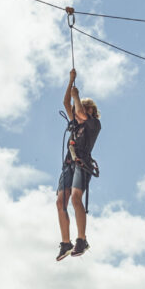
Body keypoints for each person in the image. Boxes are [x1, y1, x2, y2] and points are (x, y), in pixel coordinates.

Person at [56, 68, 101, 260]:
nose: (83, 109)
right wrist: (70, 81)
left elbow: (80, 112)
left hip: (82, 162)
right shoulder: (75, 123)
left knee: (75, 198)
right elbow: (67, 103)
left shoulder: (93, 125)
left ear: (92, 112)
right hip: (69, 164)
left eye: (87, 107)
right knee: (60, 202)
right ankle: (66, 242)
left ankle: (81, 239)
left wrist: (78, 96)